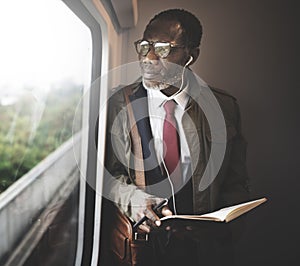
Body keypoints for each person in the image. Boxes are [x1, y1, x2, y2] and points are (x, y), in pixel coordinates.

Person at [101, 8, 250, 266]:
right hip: (139, 250)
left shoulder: (224, 108)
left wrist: (222, 228)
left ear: (191, 55)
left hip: (204, 253)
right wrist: (134, 201)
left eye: (162, 49)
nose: (148, 58)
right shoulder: (116, 104)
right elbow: (108, 177)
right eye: (145, 46)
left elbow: (235, 183)